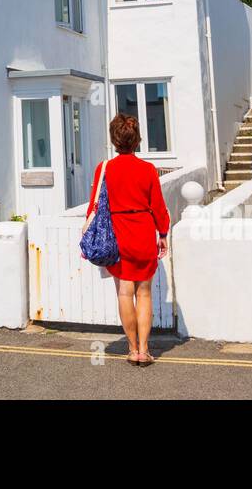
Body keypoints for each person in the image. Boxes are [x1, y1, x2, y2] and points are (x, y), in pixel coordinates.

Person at [86, 113, 171, 366]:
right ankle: (145, 350)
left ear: (114, 139)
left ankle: (132, 349)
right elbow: (158, 206)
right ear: (137, 140)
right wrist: (163, 234)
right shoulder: (147, 169)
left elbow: (93, 205)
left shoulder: (104, 169)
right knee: (144, 293)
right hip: (143, 232)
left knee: (125, 292)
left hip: (117, 233)